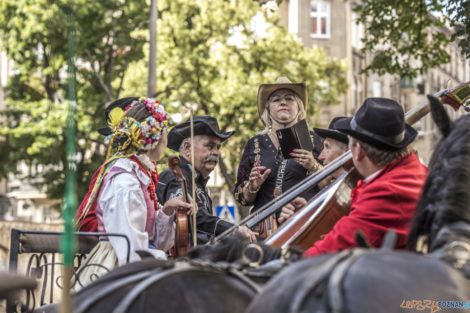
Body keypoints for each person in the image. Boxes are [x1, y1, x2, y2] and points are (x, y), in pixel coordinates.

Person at [75, 97, 192, 286]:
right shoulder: (125, 181)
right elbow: (129, 249)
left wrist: (167, 210)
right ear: (155, 140)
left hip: (132, 264)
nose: (166, 141)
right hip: (115, 269)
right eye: (165, 134)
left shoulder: (138, 175)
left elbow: (154, 242)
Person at [303, 97, 427, 257]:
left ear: (358, 150)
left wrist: (272, 256)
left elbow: (323, 255)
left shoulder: (386, 192)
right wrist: (308, 219)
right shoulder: (412, 169)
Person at [233, 76, 322, 235]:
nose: (283, 102)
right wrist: (252, 187)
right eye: (276, 100)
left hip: (304, 227)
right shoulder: (254, 143)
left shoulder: (315, 140)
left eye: (289, 99)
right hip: (265, 232)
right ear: (268, 109)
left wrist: (314, 166)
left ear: (299, 108)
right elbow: (241, 198)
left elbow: (333, 184)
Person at [157, 116, 257, 244]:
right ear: (187, 148)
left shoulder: (198, 182)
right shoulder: (174, 177)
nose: (216, 152)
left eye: (218, 147)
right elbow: (190, 215)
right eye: (210, 146)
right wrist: (231, 230)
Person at [277, 116, 349, 224]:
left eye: (327, 147)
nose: (320, 156)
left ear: (347, 152)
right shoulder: (340, 188)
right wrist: (305, 214)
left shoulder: (356, 191)